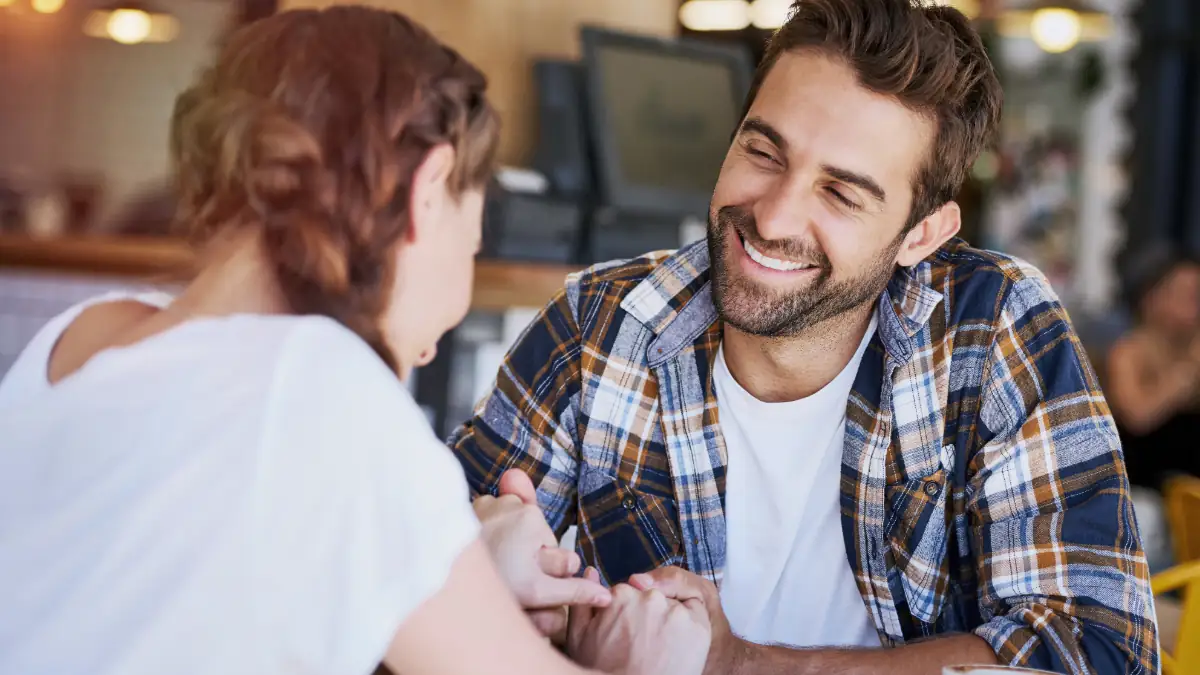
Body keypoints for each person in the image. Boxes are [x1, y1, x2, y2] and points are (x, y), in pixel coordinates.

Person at [450, 0, 1159, 673]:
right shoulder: (601, 323)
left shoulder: (992, 326)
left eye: (840, 193)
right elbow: (419, 583)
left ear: (922, 234)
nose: (774, 217)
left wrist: (734, 663)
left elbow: (1096, 651)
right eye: (764, 152)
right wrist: (485, 572)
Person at [0, 7, 710, 675]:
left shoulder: (83, 336)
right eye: (471, 241)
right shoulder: (322, 385)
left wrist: (462, 564)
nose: (429, 346)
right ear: (428, 188)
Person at [1107, 248, 1200, 489]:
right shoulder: (1128, 352)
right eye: (1187, 294)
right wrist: (1182, 376)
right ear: (1153, 299)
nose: (1195, 305)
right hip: (1143, 484)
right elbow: (1137, 416)